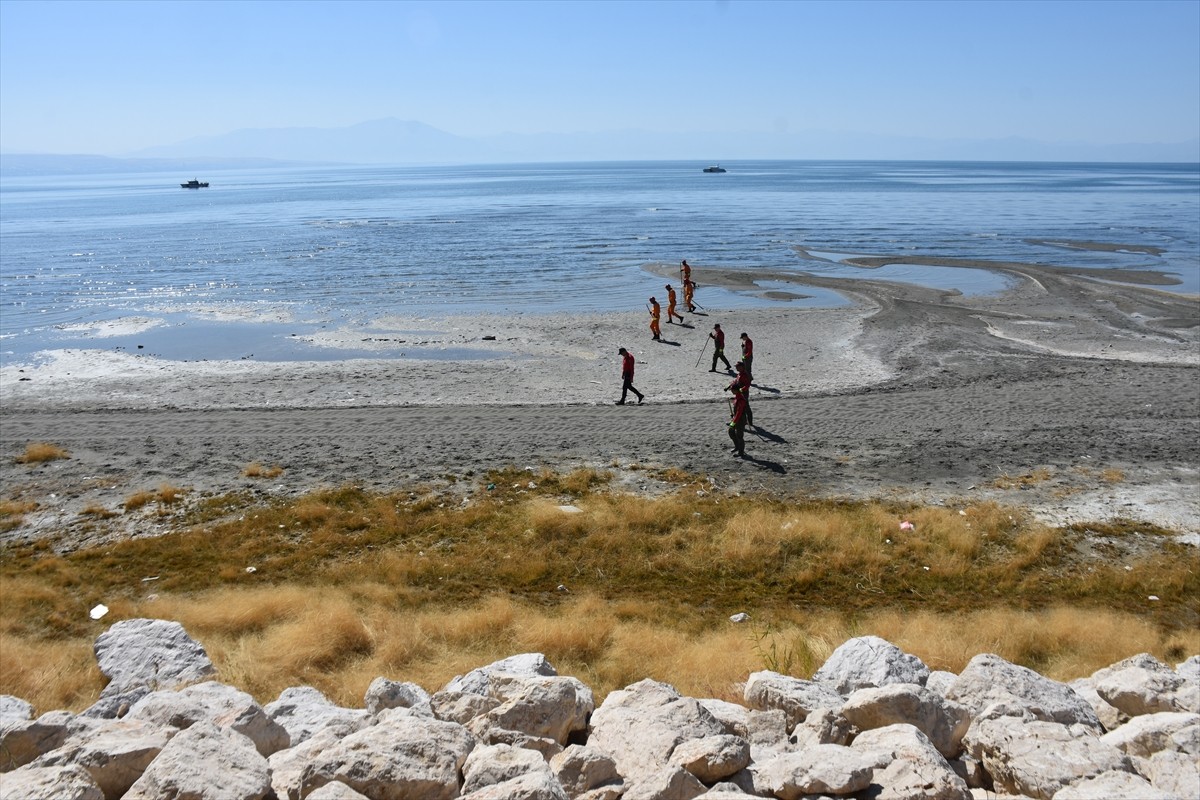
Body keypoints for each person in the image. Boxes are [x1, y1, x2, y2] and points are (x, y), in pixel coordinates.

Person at [726, 360, 753, 428]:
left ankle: (749, 422)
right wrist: (729, 386)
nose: (736, 368)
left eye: (737, 367)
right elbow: (735, 381)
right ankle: (736, 421)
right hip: (738, 393)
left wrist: (742, 389)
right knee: (737, 407)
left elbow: (747, 384)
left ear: (741, 367)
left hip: (744, 393)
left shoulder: (745, 375)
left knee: (745, 407)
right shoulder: (739, 374)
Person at [728, 389, 749, 457]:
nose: (731, 391)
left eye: (732, 389)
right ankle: (737, 447)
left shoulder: (741, 399)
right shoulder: (737, 396)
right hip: (735, 419)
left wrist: (733, 422)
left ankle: (741, 452)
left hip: (740, 420)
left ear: (736, 390)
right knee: (731, 432)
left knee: (739, 436)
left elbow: (739, 413)